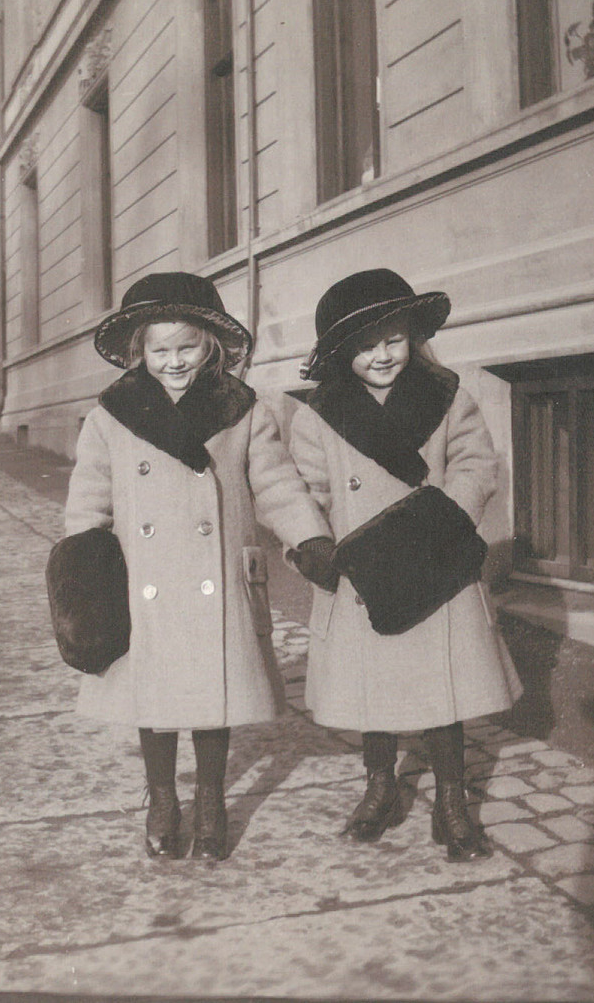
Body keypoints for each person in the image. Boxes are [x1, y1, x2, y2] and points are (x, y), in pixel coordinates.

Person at [64, 271, 335, 861]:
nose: (174, 362)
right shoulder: (111, 417)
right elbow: (89, 496)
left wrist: (310, 539)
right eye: (159, 350)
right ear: (139, 351)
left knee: (216, 695)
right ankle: (163, 797)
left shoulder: (240, 410)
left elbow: (277, 484)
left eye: (187, 347)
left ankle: (210, 796)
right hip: (143, 581)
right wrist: (83, 564)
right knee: (154, 700)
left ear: (210, 345)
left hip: (220, 580)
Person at [288, 268, 522, 862]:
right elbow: (304, 490)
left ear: (412, 337)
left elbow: (476, 463)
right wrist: (316, 547)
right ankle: (380, 785)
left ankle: (451, 802)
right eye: (366, 347)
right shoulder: (320, 415)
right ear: (343, 355)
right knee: (375, 693)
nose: (383, 355)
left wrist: (445, 517)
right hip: (364, 570)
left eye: (393, 339)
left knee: (442, 692)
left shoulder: (446, 396)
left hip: (434, 561)